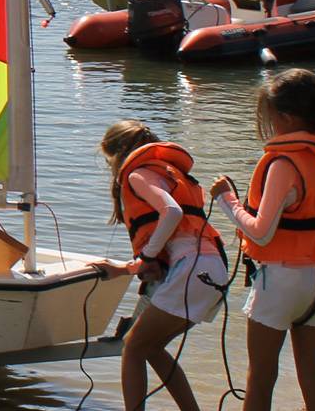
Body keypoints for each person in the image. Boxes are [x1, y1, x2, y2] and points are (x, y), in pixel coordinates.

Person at [210, 68, 315, 411]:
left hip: (281, 279)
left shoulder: (284, 164)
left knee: (261, 376)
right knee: (312, 375)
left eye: (269, 116)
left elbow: (261, 232)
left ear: (286, 117)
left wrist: (227, 200)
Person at [96, 120, 229, 411]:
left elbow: (172, 212)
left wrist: (145, 259)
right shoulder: (167, 172)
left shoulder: (138, 174)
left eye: (109, 161)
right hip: (214, 269)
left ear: (118, 154)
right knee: (151, 348)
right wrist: (137, 265)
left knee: (132, 347)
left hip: (191, 269)